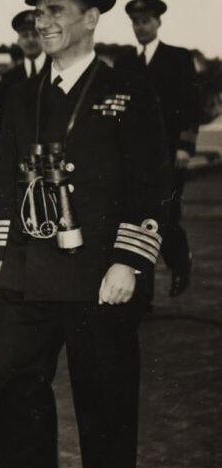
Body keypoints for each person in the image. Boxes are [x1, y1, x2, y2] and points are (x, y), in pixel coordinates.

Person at [0, 0, 172, 468]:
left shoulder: (128, 92)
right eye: (37, 11)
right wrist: (3, 251)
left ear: (91, 18)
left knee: (105, 409)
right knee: (12, 382)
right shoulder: (21, 95)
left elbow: (152, 183)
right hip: (30, 274)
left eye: (55, 9)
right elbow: (8, 181)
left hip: (99, 276)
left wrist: (130, 260)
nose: (42, 21)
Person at [115, 0, 200, 296]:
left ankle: (180, 262)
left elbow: (192, 105)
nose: (140, 27)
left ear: (158, 23)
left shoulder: (178, 58)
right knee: (138, 218)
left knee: (167, 214)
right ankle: (143, 294)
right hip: (135, 156)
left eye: (145, 21)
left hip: (169, 154)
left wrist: (186, 146)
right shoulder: (125, 62)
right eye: (136, 22)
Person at [0, 9, 48, 188]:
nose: (30, 39)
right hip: (19, 164)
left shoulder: (58, 70)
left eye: (35, 34)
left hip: (52, 163)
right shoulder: (8, 80)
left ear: (43, 36)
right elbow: (2, 126)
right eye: (25, 35)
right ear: (18, 40)